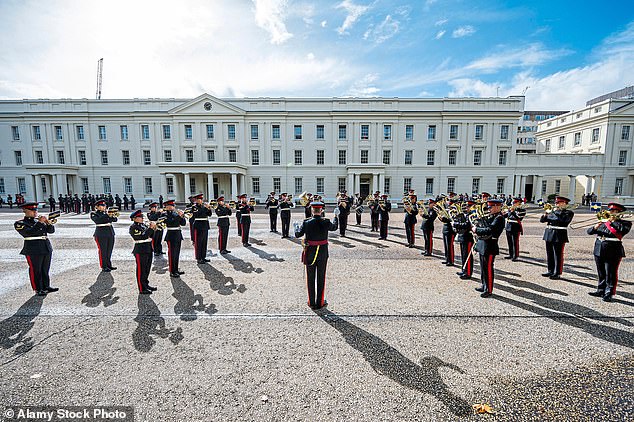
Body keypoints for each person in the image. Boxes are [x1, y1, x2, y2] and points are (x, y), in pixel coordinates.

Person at [294, 201, 339, 309]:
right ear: (321, 210)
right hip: (323, 253)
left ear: (312, 210)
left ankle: (311, 302)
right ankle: (320, 302)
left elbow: (297, 234)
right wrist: (336, 216)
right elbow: (335, 227)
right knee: (321, 277)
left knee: (310, 278)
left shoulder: (307, 222)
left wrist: (295, 226)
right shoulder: (326, 221)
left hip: (310, 252)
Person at [587, 202, 631, 302]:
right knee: (601, 271)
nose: (610, 213)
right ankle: (601, 289)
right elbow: (589, 232)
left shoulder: (625, 223)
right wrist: (595, 227)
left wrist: (611, 221)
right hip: (599, 249)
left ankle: (609, 292)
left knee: (610, 273)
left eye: (613, 211)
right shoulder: (603, 222)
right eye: (610, 211)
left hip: (613, 250)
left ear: (619, 213)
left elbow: (621, 230)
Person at [14, 202, 58, 296]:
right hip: (33, 249)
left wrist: (48, 223)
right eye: (32, 210)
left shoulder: (37, 221)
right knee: (35, 270)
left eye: (36, 210)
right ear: (25, 211)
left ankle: (46, 286)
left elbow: (51, 231)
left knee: (45, 269)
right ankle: (38, 288)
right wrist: (40, 222)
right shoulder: (20, 223)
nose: (35, 212)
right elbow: (29, 232)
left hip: (45, 247)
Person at [472, 198, 505, 297]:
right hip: (483, 244)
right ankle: (484, 285)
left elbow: (489, 230)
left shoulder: (499, 218)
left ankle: (489, 289)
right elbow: (483, 225)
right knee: (483, 268)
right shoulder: (491, 216)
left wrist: (476, 229)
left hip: (490, 245)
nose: (488, 209)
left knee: (488, 269)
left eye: (490, 207)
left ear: (497, 206)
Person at [540, 196, 574, 280]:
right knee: (550, 253)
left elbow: (562, 220)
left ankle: (557, 272)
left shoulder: (568, 212)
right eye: (556, 203)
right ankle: (550, 270)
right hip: (549, 234)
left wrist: (554, 213)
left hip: (559, 235)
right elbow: (542, 220)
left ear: (564, 204)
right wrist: (546, 214)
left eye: (558, 203)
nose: (556, 204)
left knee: (558, 255)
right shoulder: (552, 212)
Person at [129, 209, 157, 294]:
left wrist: (154, 229)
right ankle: (141, 288)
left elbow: (151, 236)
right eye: (140, 217)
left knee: (147, 269)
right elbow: (143, 236)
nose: (142, 218)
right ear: (134, 218)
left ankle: (146, 284)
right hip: (140, 250)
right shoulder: (134, 227)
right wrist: (150, 229)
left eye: (141, 216)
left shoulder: (143, 225)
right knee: (141, 269)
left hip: (148, 248)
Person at [91, 199, 117, 272]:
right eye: (102, 205)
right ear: (97, 207)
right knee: (103, 251)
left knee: (109, 250)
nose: (104, 207)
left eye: (104, 205)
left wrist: (111, 215)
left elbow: (115, 219)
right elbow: (98, 220)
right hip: (101, 234)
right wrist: (107, 215)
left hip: (110, 233)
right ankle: (104, 266)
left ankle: (108, 264)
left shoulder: (106, 214)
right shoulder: (94, 213)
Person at [163, 200, 186, 277]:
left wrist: (182, 216)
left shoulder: (176, 213)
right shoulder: (164, 214)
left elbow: (183, 223)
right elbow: (170, 222)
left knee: (177, 254)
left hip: (178, 235)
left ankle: (176, 269)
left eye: (172, 205)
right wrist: (179, 216)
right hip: (171, 235)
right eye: (169, 206)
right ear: (166, 207)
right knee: (172, 254)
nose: (171, 207)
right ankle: (172, 271)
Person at [454, 200, 475, 279]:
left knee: (468, 256)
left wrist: (456, 224)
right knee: (463, 255)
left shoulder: (472, 215)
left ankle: (468, 272)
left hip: (468, 237)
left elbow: (467, 225)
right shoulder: (466, 214)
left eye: (469, 206)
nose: (467, 208)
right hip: (463, 236)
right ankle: (464, 269)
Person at [191, 193, 212, 264]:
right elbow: (197, 214)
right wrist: (205, 208)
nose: (201, 200)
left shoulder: (204, 206)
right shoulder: (194, 207)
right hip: (198, 225)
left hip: (205, 225)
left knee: (204, 242)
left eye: (201, 199)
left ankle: (203, 257)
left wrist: (209, 209)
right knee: (199, 242)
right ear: (196, 200)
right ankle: (198, 257)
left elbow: (209, 214)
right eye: (199, 199)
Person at [439, 200, 456, 266]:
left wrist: (446, 220)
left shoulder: (454, 212)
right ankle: (447, 259)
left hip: (450, 230)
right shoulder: (447, 211)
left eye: (450, 205)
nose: (449, 206)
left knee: (450, 246)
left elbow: (453, 220)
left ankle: (451, 261)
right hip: (445, 229)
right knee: (446, 246)